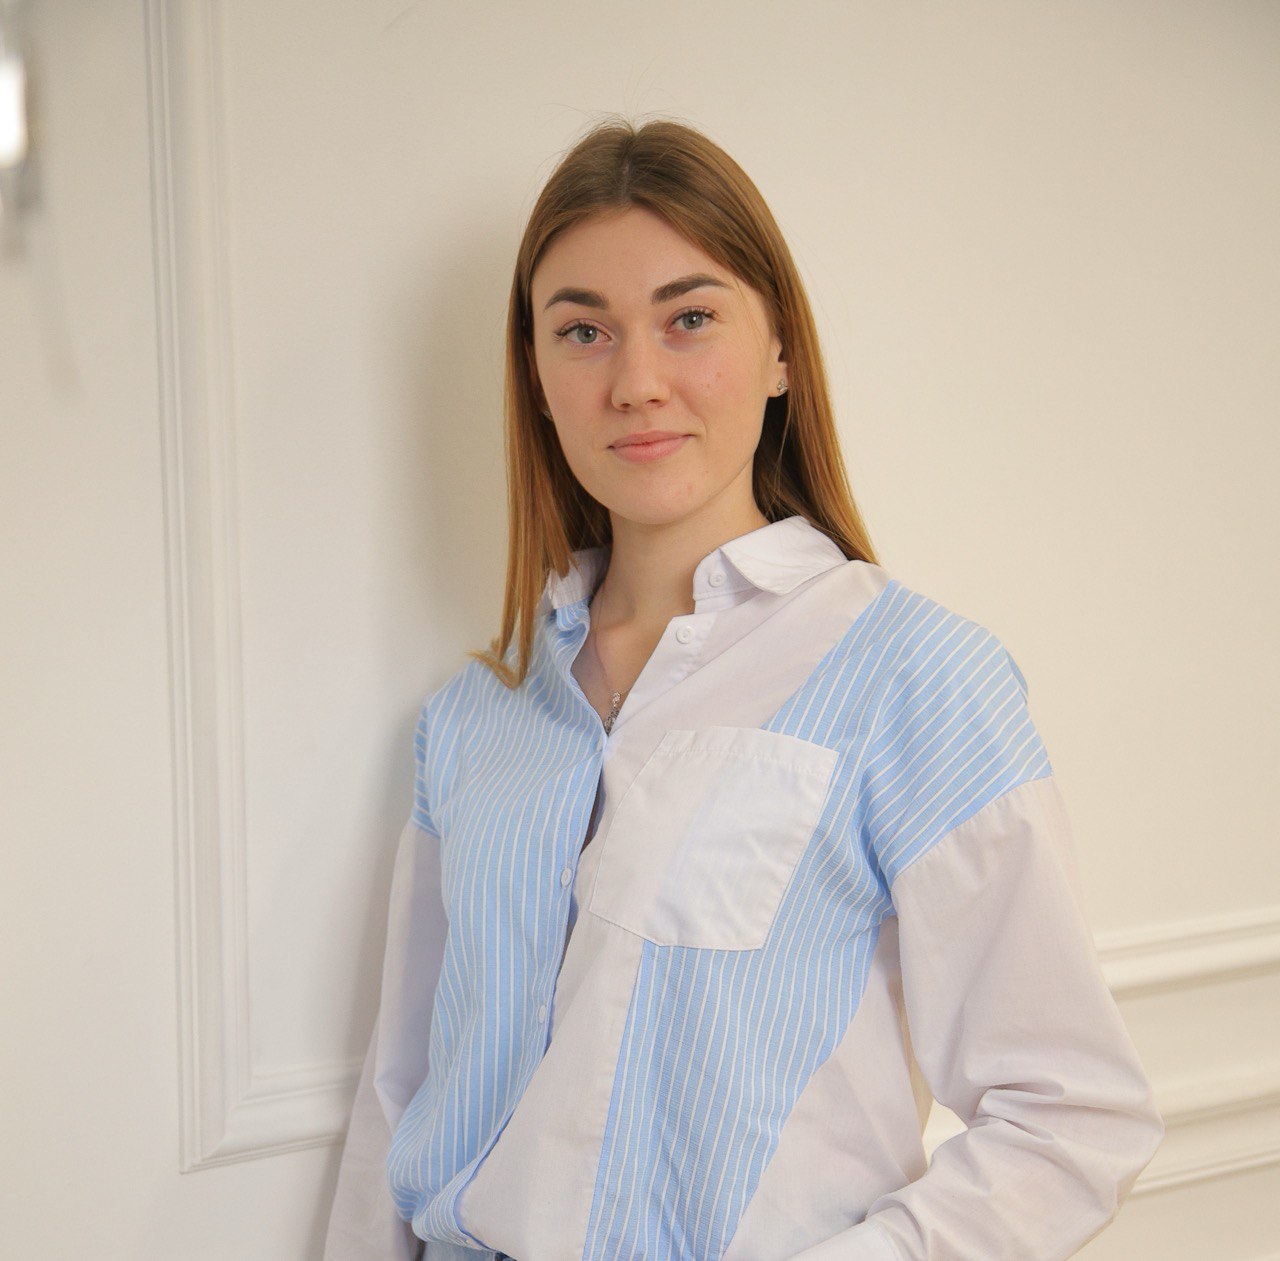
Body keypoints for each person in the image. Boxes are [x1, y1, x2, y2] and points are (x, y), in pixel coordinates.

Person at [323, 116, 1164, 1261]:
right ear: (537, 377)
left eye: (688, 318)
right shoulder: (472, 719)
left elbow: (1071, 1116)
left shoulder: (914, 677)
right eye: (582, 330)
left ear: (779, 353)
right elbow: (399, 1095)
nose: (635, 382)